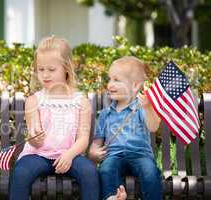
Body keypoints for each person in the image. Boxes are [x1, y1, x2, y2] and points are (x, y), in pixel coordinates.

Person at [9, 36, 100, 200]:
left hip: (70, 155)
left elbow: (83, 139)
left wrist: (69, 155)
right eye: (40, 69)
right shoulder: (34, 100)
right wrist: (35, 138)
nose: (45, 75)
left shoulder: (81, 101)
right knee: (21, 172)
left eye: (51, 70)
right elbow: (34, 138)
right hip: (38, 155)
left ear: (66, 68)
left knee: (89, 172)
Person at [89, 56, 162, 200]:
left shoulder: (141, 107)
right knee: (106, 169)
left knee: (151, 172)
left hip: (140, 155)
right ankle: (114, 197)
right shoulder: (106, 114)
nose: (110, 84)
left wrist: (148, 107)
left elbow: (153, 127)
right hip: (114, 155)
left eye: (116, 80)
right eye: (109, 79)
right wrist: (93, 153)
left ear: (134, 86)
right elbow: (96, 143)